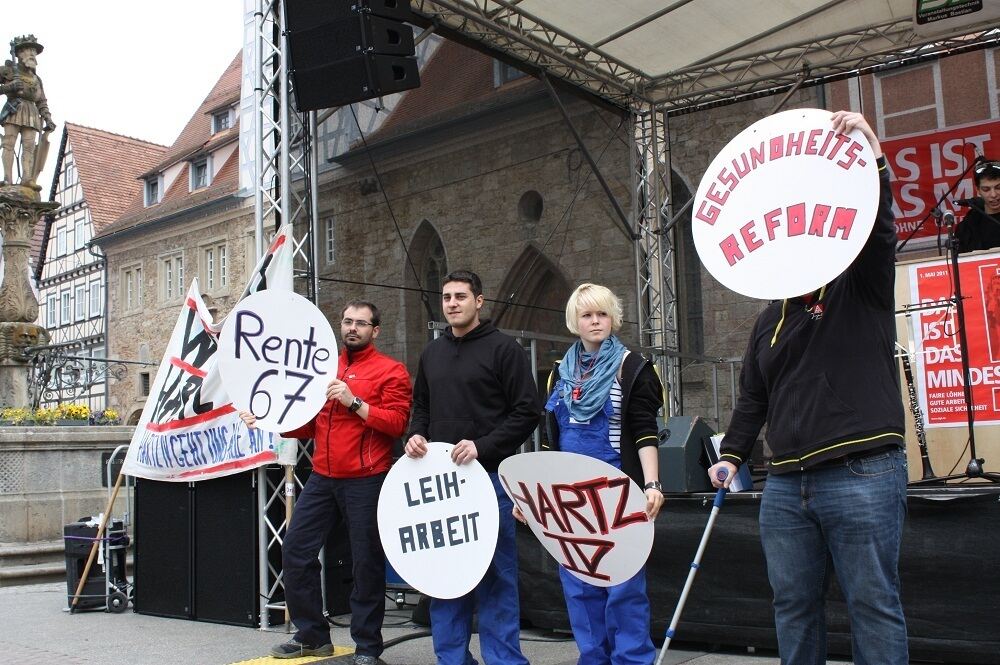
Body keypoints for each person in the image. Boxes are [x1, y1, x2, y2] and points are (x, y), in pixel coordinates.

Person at [707, 111, 909, 665]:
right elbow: (752, 398)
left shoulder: (856, 283)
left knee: (873, 604)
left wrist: (873, 160)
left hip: (860, 468)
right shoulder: (766, 319)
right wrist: (731, 456)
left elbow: (879, 230)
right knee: (793, 606)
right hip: (785, 484)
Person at [242, 301, 412, 664]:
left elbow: (397, 424)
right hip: (322, 475)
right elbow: (306, 423)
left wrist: (354, 402)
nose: (352, 328)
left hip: (366, 478)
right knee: (295, 551)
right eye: (348, 321)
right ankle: (313, 637)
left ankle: (367, 648)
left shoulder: (390, 371)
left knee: (365, 563)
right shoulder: (324, 365)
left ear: (375, 331)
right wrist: (266, 418)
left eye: (361, 323)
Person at [404, 270, 538, 665]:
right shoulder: (432, 353)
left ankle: (504, 661)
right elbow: (422, 408)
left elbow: (526, 411)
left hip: (491, 481)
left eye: (461, 296)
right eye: (446, 297)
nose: (452, 303)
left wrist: (483, 446)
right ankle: (453, 660)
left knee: (496, 578)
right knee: (445, 579)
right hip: (441, 484)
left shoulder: (504, 350)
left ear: (479, 301)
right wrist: (414, 436)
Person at [531, 282, 664, 665]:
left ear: (613, 318)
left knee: (623, 585)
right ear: (575, 320)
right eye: (587, 314)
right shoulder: (559, 373)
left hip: (618, 490)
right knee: (577, 584)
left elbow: (645, 430)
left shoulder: (632, 366)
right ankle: (593, 658)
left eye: (602, 314)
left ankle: (632, 660)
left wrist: (652, 483)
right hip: (569, 495)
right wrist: (533, 494)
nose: (595, 321)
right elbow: (549, 439)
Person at [1, 34, 55, 188]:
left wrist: (48, 118)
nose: (32, 54)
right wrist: (8, 88)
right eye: (28, 50)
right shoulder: (8, 71)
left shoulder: (37, 79)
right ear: (18, 53)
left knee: (29, 147)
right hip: (13, 109)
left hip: (31, 113)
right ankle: (7, 179)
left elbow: (42, 101)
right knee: (8, 144)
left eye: (34, 51)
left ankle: (27, 179)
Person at [956, 160, 1000, 253]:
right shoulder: (969, 225)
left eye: (998, 187)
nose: (993, 194)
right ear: (978, 190)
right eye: (986, 189)